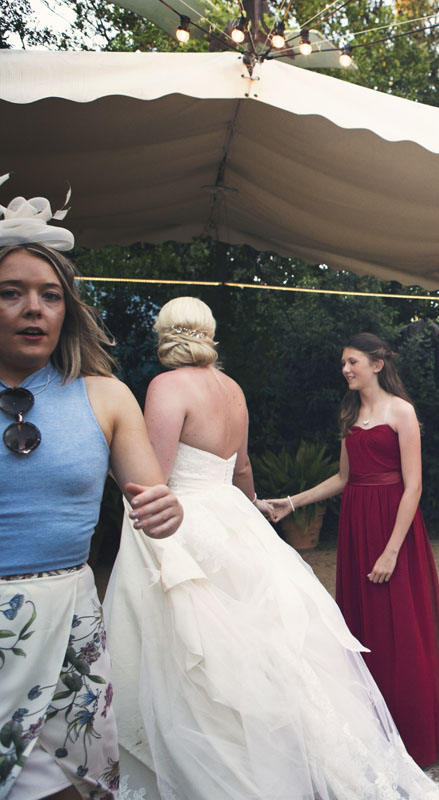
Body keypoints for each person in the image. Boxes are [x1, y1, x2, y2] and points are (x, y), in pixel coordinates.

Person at [102, 301, 439, 799]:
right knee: (263, 643)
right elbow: (241, 470)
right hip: (232, 513)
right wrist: (257, 514)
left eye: (353, 361)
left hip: (186, 519)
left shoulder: (166, 386)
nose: (346, 369)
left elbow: (152, 478)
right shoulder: (233, 389)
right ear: (210, 331)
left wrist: (110, 463)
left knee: (189, 646)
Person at [0, 175, 183, 800]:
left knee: (77, 787)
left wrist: (164, 509)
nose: (34, 308)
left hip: (72, 620)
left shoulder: (106, 396)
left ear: (67, 308)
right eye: (12, 293)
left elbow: (153, 499)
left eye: (50, 295)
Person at [266, 333, 439, 768]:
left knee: (401, 626)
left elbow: (414, 486)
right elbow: (343, 478)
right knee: (363, 625)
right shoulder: (349, 412)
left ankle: (414, 734)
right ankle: (373, 731)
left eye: (352, 362)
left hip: (394, 527)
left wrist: (392, 551)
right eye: (343, 363)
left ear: (377, 364)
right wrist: (292, 502)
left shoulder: (402, 411)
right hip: (358, 526)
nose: (345, 370)